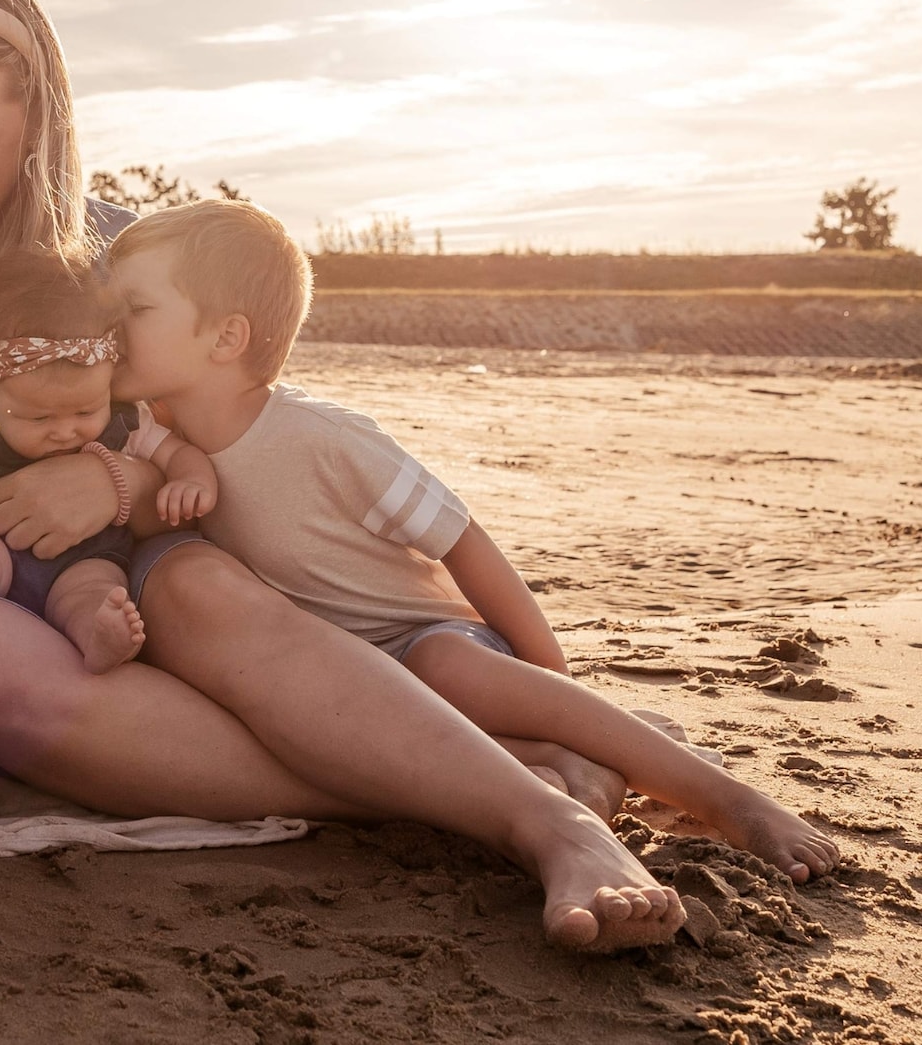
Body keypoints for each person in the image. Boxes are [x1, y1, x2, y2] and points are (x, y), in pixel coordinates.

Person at [0, 0, 808, 950]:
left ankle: (557, 826)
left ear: (37, 127)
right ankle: (491, 793)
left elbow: (220, 425)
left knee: (208, 591)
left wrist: (116, 477)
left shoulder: (119, 252)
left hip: (111, 547)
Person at [105, 198, 842, 883]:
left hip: (434, 635)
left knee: (444, 663)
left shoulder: (324, 438)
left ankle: (727, 797)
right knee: (349, 716)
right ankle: (563, 764)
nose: (111, 326)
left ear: (226, 336)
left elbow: (465, 543)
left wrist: (552, 679)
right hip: (347, 673)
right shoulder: (153, 436)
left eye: (135, 308)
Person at [0, 251, 217, 673]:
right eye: (39, 417)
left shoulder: (126, 416)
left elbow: (177, 452)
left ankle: (98, 638)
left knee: (96, 591)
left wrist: (191, 480)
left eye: (85, 412)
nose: (66, 431)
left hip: (84, 556)